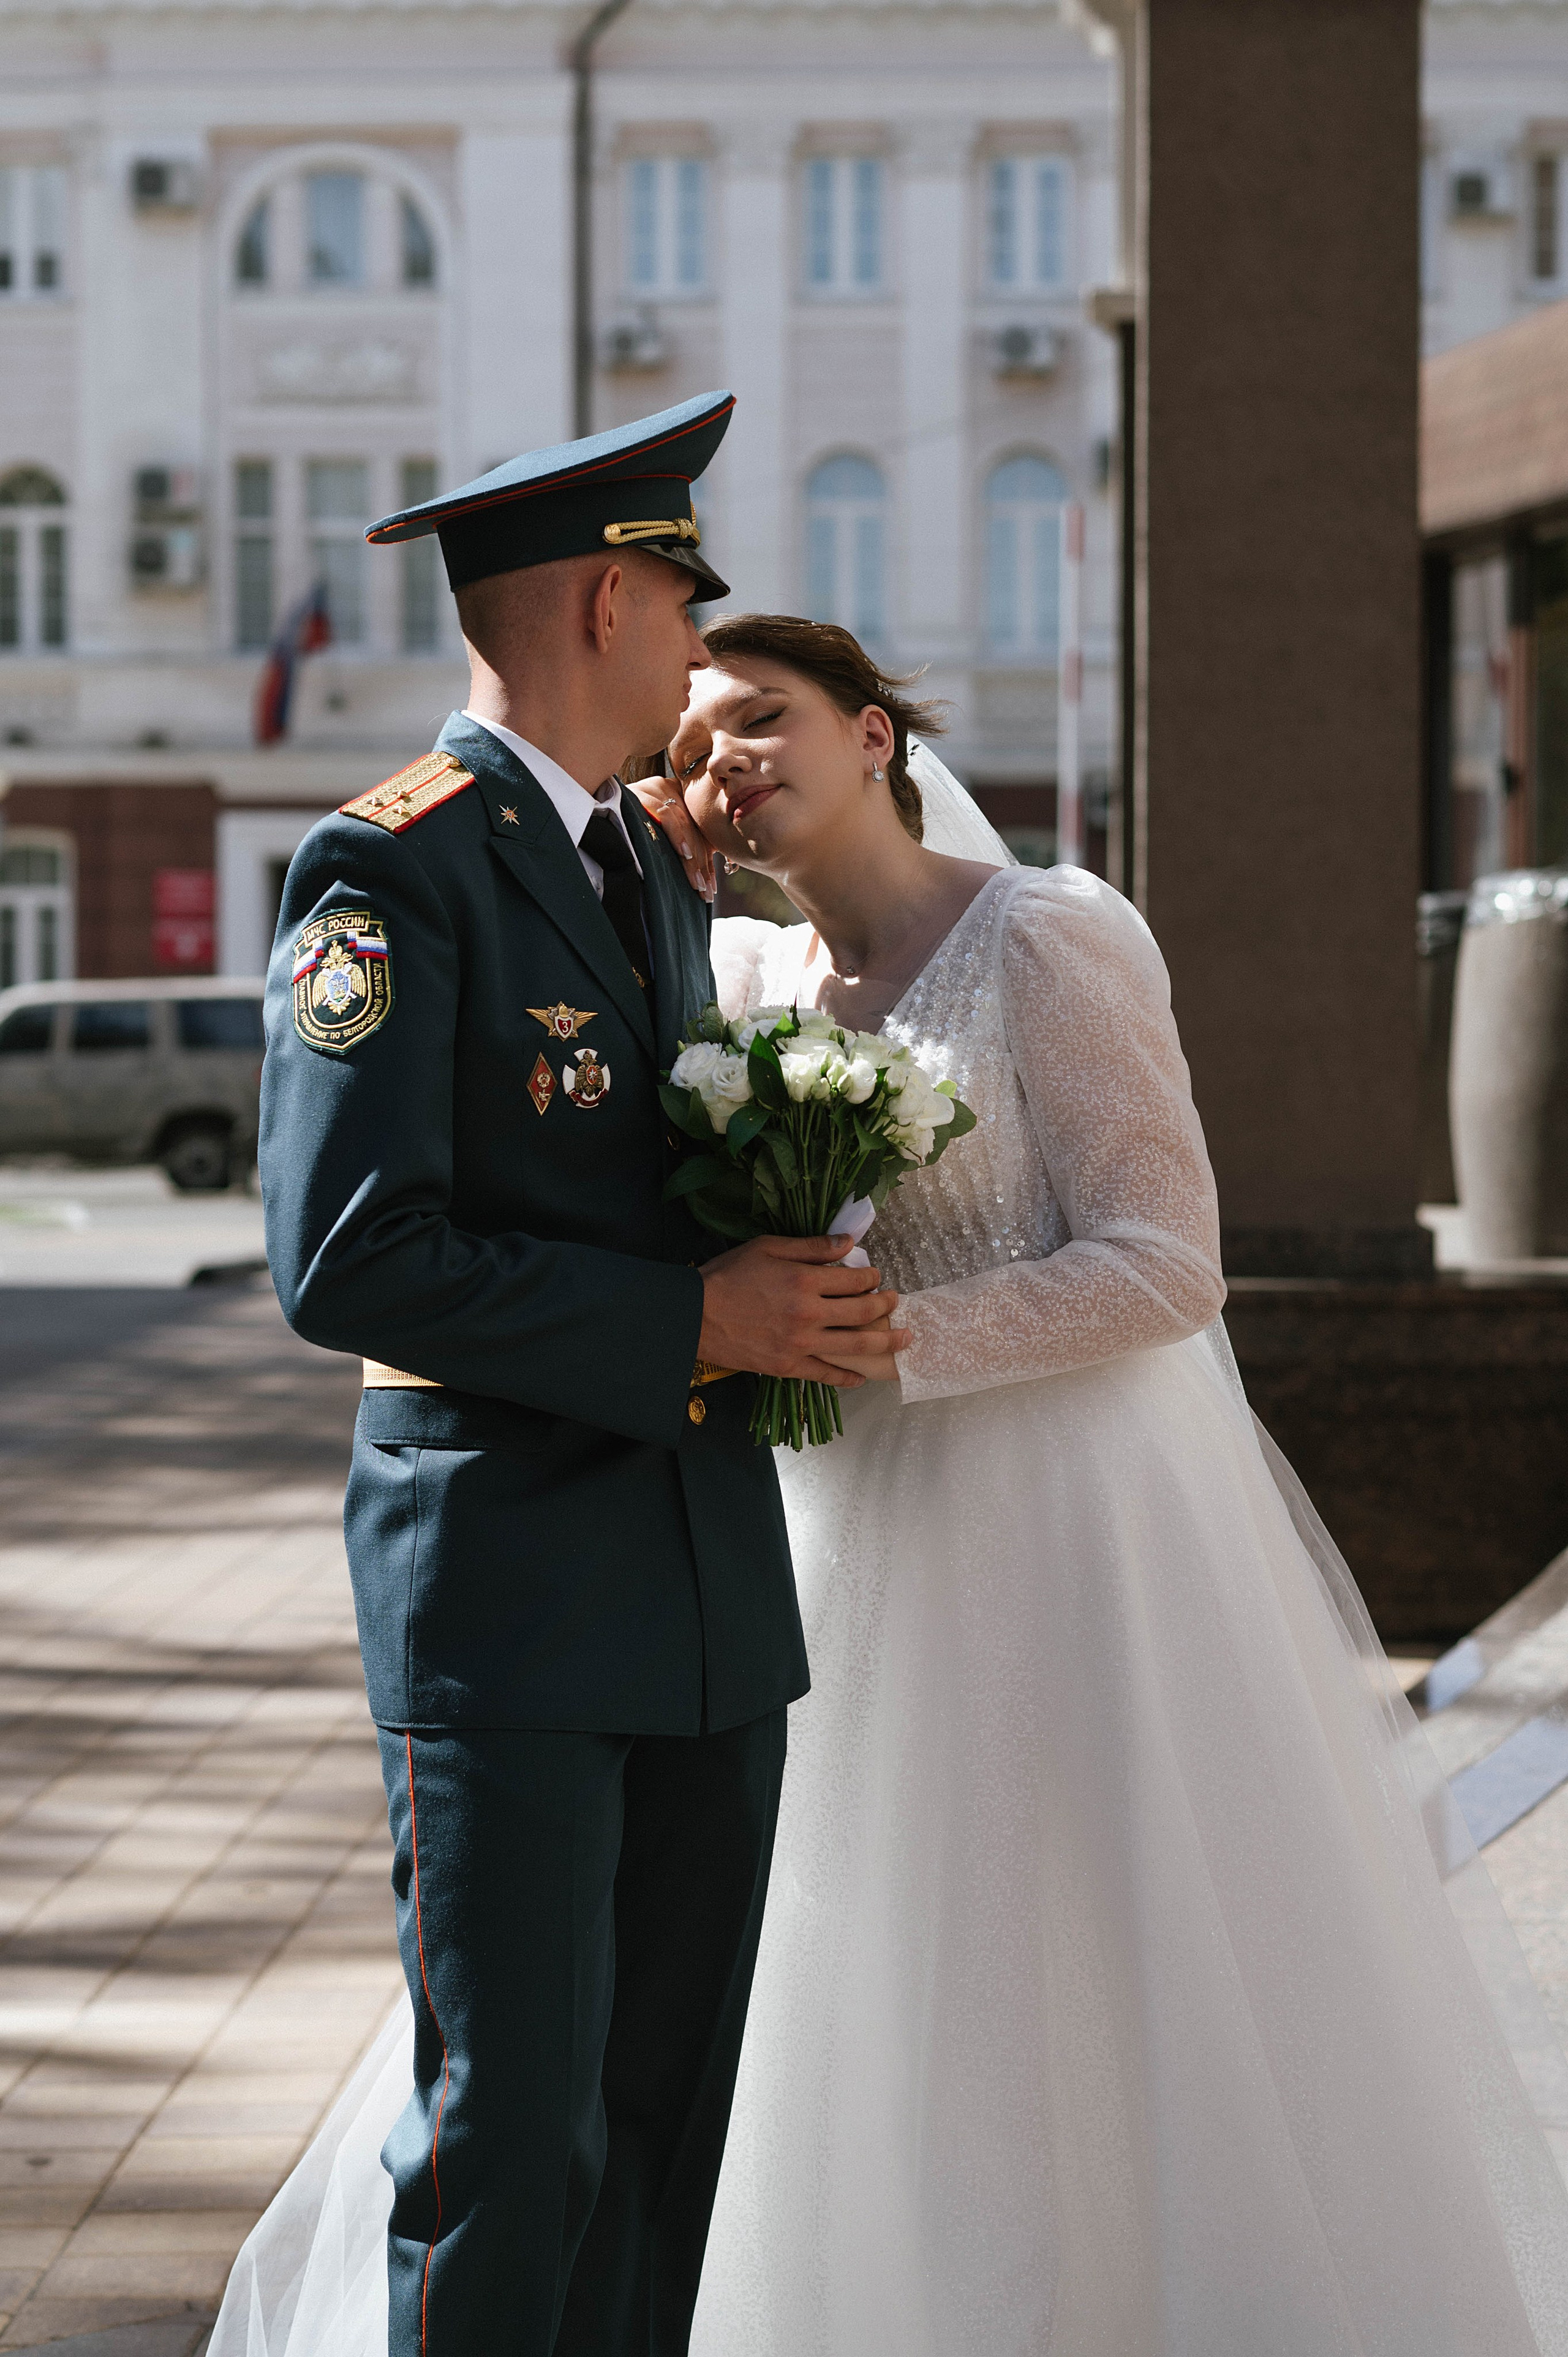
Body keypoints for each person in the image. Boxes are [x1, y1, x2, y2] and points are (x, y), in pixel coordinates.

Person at [224, 602, 1568, 2356]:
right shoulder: (734, 984)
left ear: (877, 735)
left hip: (1058, 1531)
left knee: (1068, 1959)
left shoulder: (1048, 938)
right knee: (814, 1973)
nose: (724, 758)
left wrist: (888, 1340)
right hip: (818, 1539)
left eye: (764, 716)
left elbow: (1170, 1261)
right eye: (694, 739)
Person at [235, 404, 905, 2356]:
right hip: (511, 1601)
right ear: (612, 601)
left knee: (664, 2137)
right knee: (513, 2151)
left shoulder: (646, 864)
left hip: (703, 1598)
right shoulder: (389, 869)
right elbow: (348, 1253)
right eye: (685, 608)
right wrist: (698, 1324)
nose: (697, 653)